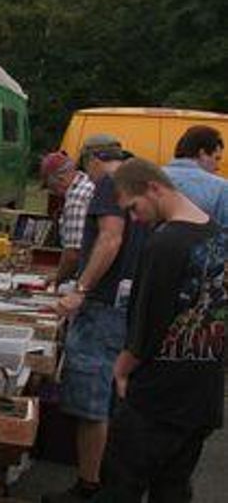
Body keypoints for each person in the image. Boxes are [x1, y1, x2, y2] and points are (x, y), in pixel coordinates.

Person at [102, 158, 226, 501]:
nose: (134, 218)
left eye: (134, 206)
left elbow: (146, 323)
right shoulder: (219, 235)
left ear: (154, 188)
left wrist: (122, 369)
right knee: (172, 490)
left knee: (119, 487)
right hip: (202, 395)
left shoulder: (164, 244)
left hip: (157, 399)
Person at [43, 134, 148, 503]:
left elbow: (109, 239)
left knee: (90, 400)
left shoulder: (107, 183)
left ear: (91, 159)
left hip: (103, 306)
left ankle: (88, 486)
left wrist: (81, 290)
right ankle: (108, 480)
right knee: (110, 397)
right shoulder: (138, 182)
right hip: (125, 305)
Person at [40, 151, 95, 286]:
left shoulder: (76, 198)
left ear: (61, 180)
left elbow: (74, 253)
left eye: (52, 188)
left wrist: (57, 277)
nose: (54, 193)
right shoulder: (88, 183)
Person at [164, 125, 227, 228]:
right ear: (202, 153)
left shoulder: (152, 179)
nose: (217, 167)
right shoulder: (220, 187)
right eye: (217, 158)